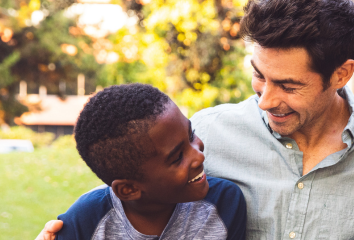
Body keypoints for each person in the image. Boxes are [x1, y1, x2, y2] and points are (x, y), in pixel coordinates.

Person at [37, 0, 354, 239]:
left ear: (341, 74)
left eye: (289, 86)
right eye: (259, 76)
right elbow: (130, 191)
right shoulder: (207, 133)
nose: (265, 100)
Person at [55, 83, 247, 240]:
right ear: (129, 190)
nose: (199, 156)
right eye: (178, 157)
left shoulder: (224, 204)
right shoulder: (85, 222)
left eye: (191, 135)